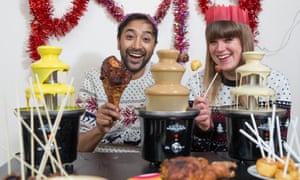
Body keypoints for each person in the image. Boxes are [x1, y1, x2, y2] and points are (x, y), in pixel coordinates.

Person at [76, 13, 211, 152]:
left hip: (148, 166)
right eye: (129, 37)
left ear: (154, 46)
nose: (137, 45)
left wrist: (193, 120)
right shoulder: (95, 79)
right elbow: (78, 147)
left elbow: (174, 141)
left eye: (146, 39)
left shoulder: (164, 79)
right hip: (101, 165)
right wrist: (99, 130)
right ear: (118, 41)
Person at [186, 5, 292, 152]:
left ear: (244, 42)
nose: (220, 48)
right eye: (213, 41)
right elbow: (193, 151)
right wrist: (203, 129)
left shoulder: (275, 83)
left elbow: (278, 150)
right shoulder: (197, 84)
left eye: (228, 39)